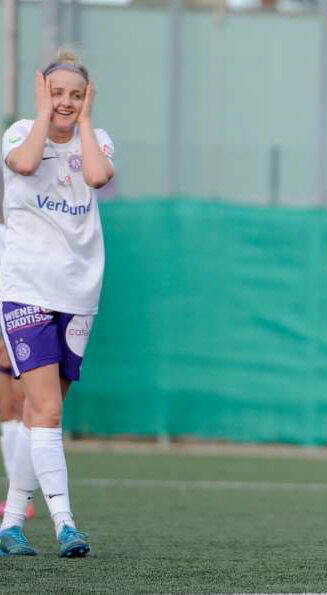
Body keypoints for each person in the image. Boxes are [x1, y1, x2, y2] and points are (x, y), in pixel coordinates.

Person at [0, 48, 114, 558]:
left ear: (88, 98)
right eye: (57, 92)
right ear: (42, 91)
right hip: (26, 288)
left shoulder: (98, 139)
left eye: (76, 94)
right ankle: (65, 524)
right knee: (45, 409)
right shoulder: (21, 134)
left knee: (42, 413)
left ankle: (9, 525)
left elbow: (97, 176)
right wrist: (44, 115)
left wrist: (84, 122)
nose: (65, 101)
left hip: (79, 292)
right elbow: (25, 164)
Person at [0, 220, 35, 521]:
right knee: (5, 410)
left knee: (27, 407)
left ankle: (24, 496)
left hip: (21, 320)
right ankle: (16, 494)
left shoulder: (13, 234)